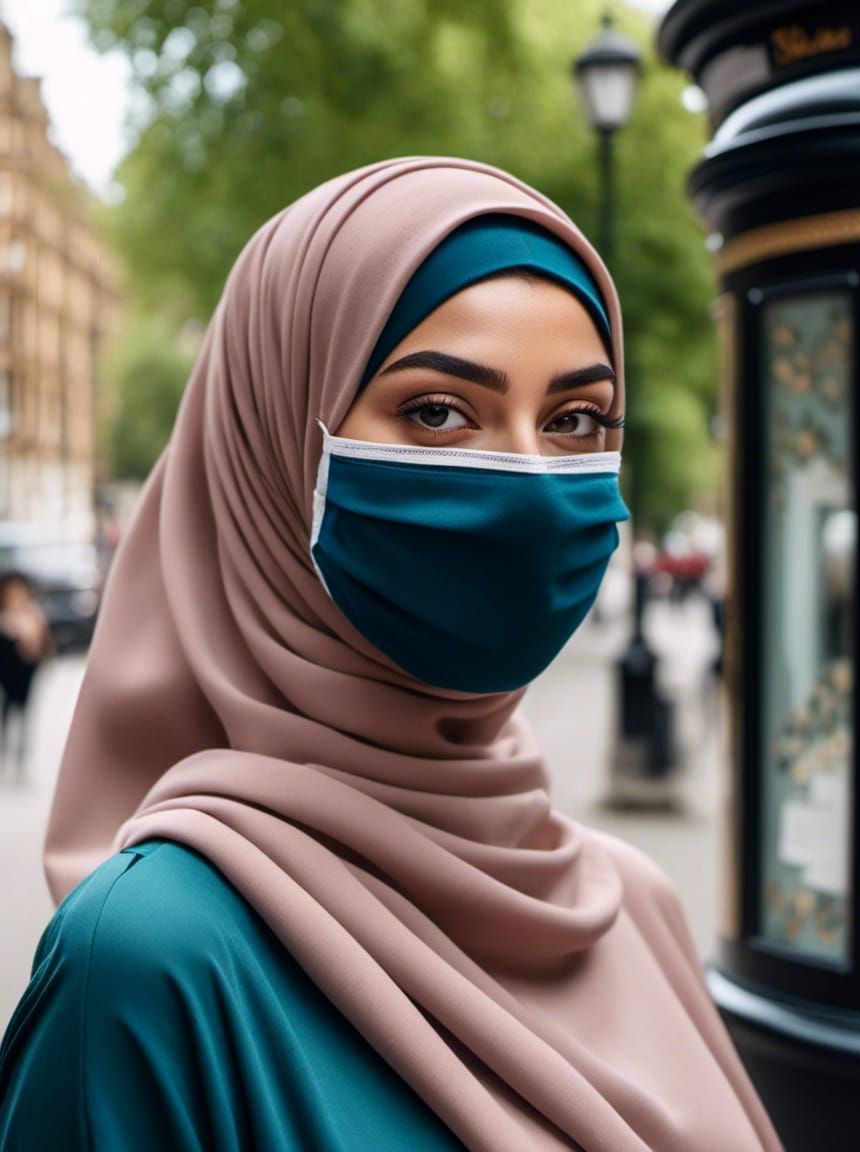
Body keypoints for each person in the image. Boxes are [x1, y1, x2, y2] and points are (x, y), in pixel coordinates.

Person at [0, 158, 783, 1151]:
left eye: (574, 420)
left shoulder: (634, 903)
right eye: (438, 411)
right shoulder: (150, 962)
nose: (529, 484)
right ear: (277, 448)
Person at [0, 570, 52, 782]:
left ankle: (20, 761)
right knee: (6, 717)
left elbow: (40, 647)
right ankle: (5, 757)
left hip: (25, 675)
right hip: (5, 677)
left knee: (23, 718)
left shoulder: (33, 614)